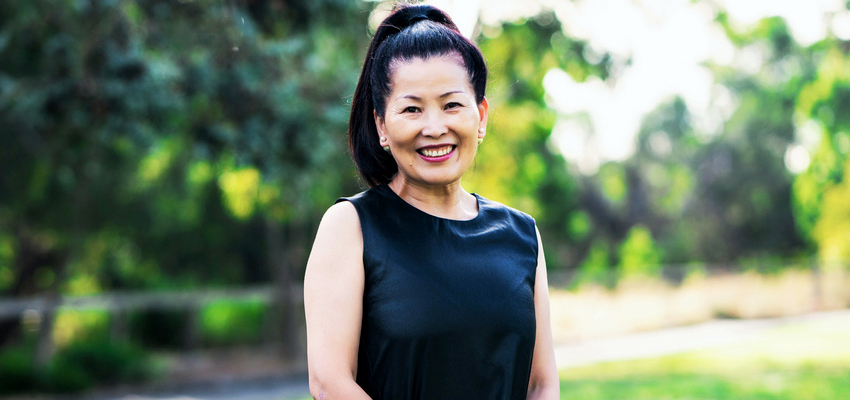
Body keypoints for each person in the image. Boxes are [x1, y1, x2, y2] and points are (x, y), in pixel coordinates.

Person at [303, 4, 559, 399]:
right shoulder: (350, 226)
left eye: (451, 104)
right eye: (412, 109)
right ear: (381, 125)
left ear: (481, 116)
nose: (435, 128)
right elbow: (329, 382)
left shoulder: (522, 234)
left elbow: (541, 384)